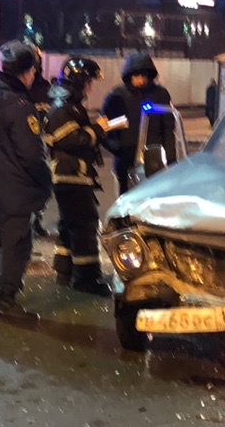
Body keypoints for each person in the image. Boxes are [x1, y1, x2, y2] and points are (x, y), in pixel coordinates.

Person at [0, 41, 52, 324]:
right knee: (16, 246)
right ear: (27, 71)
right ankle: (7, 300)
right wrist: (46, 182)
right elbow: (32, 156)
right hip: (16, 190)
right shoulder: (21, 107)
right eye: (33, 70)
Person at [45, 56, 112, 296]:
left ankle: (64, 270)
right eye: (89, 81)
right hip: (70, 176)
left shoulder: (66, 103)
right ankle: (86, 278)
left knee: (69, 225)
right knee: (85, 225)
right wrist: (98, 129)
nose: (91, 86)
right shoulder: (64, 106)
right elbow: (71, 140)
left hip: (72, 175)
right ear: (80, 81)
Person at [102, 51, 178, 195]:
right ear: (129, 75)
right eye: (137, 75)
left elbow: (168, 128)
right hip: (125, 159)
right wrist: (117, 148)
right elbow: (104, 128)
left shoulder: (160, 95)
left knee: (153, 200)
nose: (141, 80)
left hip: (153, 158)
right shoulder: (117, 96)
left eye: (145, 76)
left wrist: (170, 158)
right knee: (125, 202)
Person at [26, 43, 53, 238]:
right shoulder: (17, 89)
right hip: (22, 146)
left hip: (42, 146)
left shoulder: (45, 88)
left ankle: (36, 220)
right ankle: (26, 222)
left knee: (43, 186)